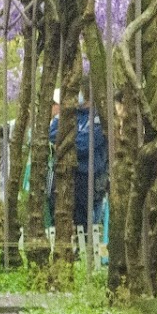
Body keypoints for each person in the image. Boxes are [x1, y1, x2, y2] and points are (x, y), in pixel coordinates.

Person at [49, 89, 109, 246]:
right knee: (60, 214)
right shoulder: (69, 114)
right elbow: (52, 132)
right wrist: (68, 139)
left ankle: (84, 252)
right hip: (65, 173)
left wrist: (65, 141)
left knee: (84, 219)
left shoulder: (99, 117)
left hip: (88, 176)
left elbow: (85, 144)